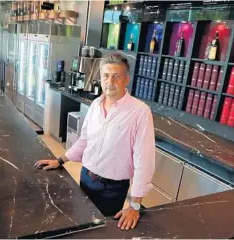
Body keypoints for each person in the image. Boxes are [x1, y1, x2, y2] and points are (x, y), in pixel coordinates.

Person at [35, 53, 155, 231]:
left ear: (126, 79)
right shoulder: (95, 106)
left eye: (116, 76)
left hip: (112, 189)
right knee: (81, 225)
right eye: (106, 75)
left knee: (100, 233)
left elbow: (143, 161)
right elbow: (84, 141)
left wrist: (135, 205)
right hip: (85, 178)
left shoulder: (140, 112)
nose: (110, 81)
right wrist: (60, 160)